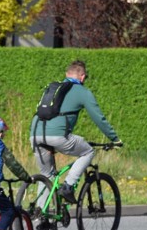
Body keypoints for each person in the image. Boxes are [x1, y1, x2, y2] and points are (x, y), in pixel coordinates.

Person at [29, 60, 123, 205]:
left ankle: (42, 216)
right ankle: (68, 186)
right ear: (83, 77)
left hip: (35, 134)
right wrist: (115, 139)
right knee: (88, 152)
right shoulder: (83, 92)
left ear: (67, 74)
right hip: (57, 136)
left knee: (47, 175)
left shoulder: (52, 87)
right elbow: (99, 118)